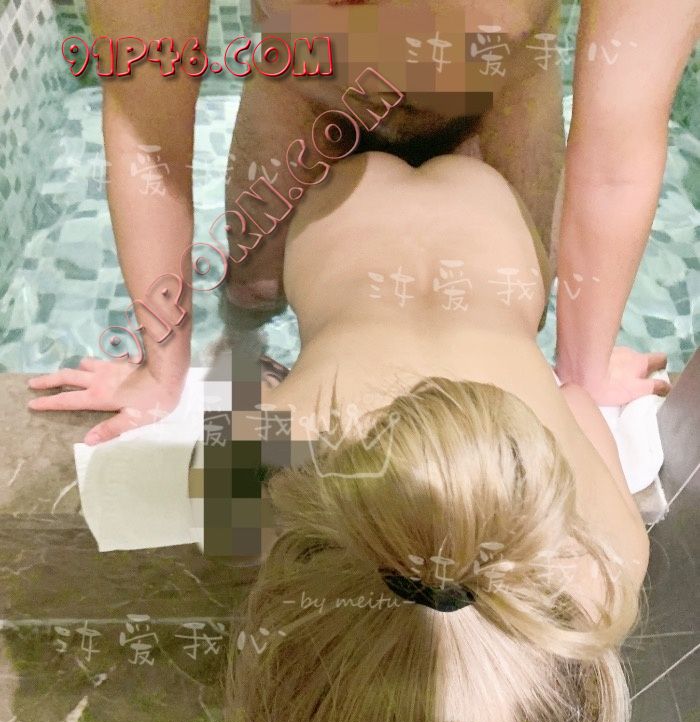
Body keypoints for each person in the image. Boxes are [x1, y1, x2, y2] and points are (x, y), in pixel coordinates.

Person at [119, 147, 674, 722]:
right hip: (342, 211)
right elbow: (232, 399)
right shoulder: (255, 518)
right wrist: (276, 402)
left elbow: (579, 403)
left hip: (489, 223)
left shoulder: (605, 563)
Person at [26, 0, 697, 441]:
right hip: (306, 96)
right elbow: (149, 134)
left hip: (498, 99)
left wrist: (584, 371)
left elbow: (616, 155)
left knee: (520, 303)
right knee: (252, 291)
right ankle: (240, 349)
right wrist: (163, 368)